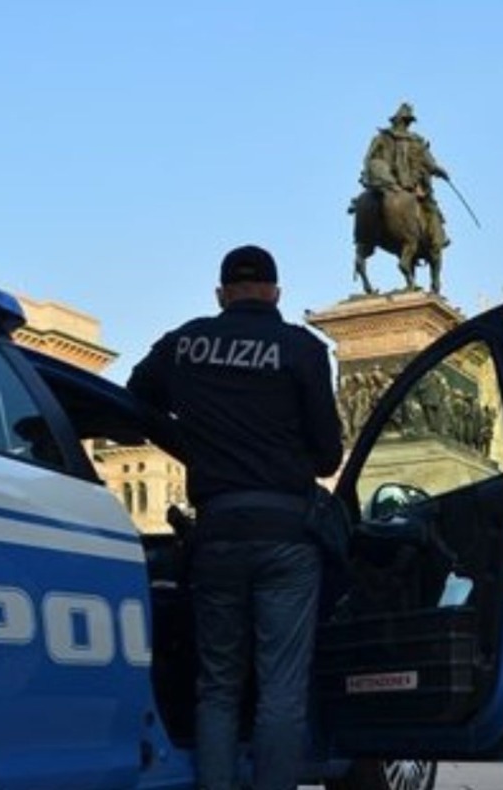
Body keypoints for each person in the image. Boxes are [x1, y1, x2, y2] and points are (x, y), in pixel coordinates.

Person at [128, 244, 344, 790]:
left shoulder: (185, 343)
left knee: (218, 687)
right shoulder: (302, 348)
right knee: (282, 689)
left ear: (221, 294)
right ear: (276, 293)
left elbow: (135, 400)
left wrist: (189, 445)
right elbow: (327, 457)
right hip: (286, 537)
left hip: (217, 533)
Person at [360, 101, 451, 249]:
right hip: (410, 185)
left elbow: (369, 158)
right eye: (407, 121)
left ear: (395, 120)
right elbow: (429, 164)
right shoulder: (417, 141)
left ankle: (361, 249)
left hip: (385, 182)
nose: (406, 124)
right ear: (407, 121)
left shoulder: (382, 137)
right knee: (431, 208)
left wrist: (374, 176)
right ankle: (438, 239)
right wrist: (439, 171)